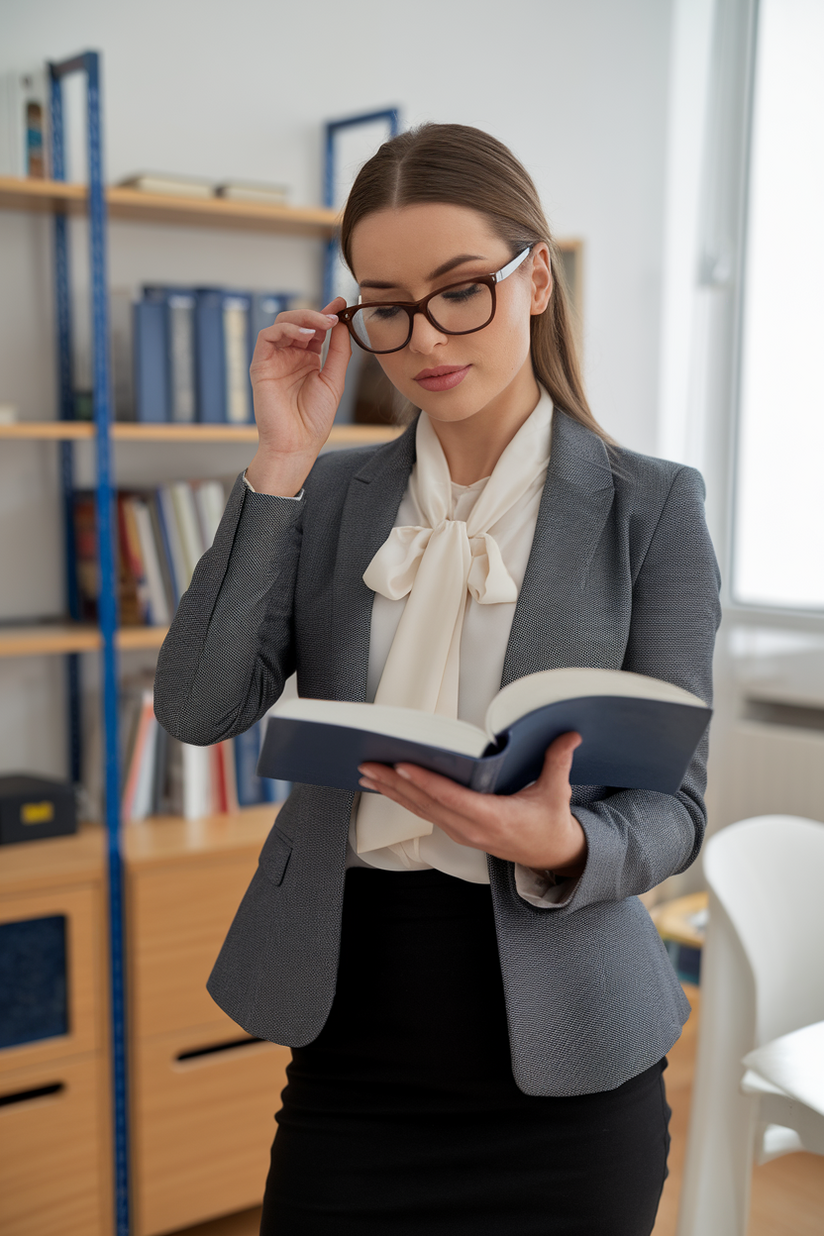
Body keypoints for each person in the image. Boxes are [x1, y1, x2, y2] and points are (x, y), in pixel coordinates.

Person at [154, 122, 721, 1236]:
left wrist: (561, 846)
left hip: (567, 1050)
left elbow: (677, 808)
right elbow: (198, 705)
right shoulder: (327, 499)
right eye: (386, 305)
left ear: (536, 278)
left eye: (462, 289)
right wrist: (279, 460)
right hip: (355, 1038)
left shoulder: (650, 508)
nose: (424, 337)